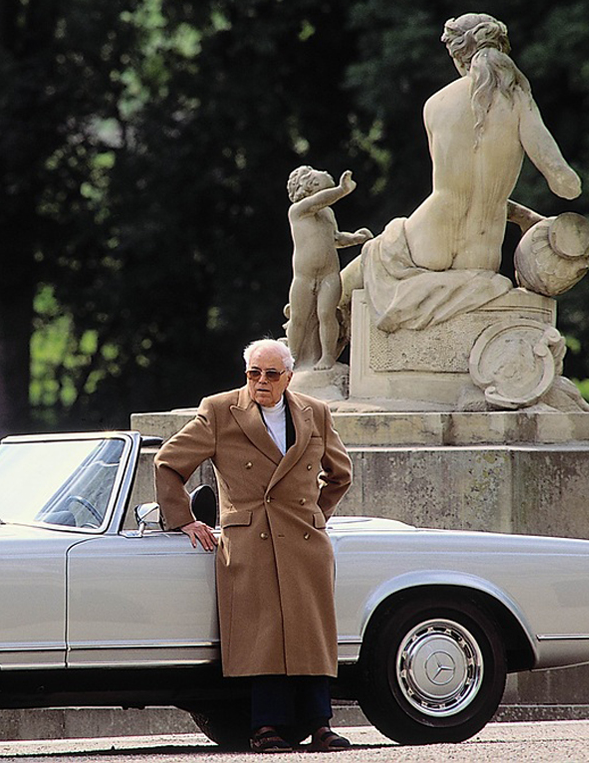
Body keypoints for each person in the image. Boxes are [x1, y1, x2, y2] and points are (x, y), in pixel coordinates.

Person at [154, 338, 352, 752]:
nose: (261, 382)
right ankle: (266, 726)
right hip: (250, 540)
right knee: (264, 635)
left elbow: (340, 474)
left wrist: (315, 515)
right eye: (253, 373)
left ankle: (321, 724)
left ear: (288, 378)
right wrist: (185, 519)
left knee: (311, 634)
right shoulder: (220, 410)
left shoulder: (315, 412)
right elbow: (168, 463)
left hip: (303, 540)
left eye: (270, 374)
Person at [362, 13, 582, 332]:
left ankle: (307, 336)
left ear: (457, 55)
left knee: (372, 254)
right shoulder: (519, 101)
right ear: (502, 50)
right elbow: (565, 185)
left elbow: (455, 188)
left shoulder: (436, 104)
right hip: (481, 254)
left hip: (429, 237)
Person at [285, 166, 372, 371]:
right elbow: (317, 201)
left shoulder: (328, 212)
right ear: (309, 183)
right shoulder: (298, 210)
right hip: (304, 277)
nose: (325, 172)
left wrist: (355, 238)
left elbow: (335, 238)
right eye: (319, 172)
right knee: (298, 318)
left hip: (328, 274)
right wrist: (342, 190)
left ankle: (327, 356)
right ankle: (291, 359)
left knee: (327, 314)